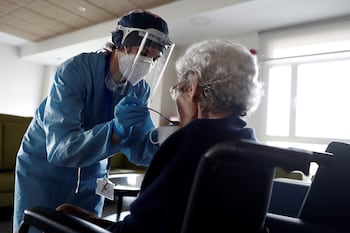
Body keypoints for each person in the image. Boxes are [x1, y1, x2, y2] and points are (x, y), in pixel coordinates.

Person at [55, 39, 264, 233]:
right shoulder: (251, 145)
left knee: (63, 211)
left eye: (178, 90)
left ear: (193, 89)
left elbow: (136, 230)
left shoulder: (187, 142)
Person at [13, 10, 174, 233]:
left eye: (154, 58)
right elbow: (60, 149)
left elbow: (138, 150)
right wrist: (115, 130)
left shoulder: (140, 89)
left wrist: (164, 138)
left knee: (86, 228)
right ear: (121, 43)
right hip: (44, 169)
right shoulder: (76, 71)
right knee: (38, 226)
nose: (147, 62)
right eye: (144, 52)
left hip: (93, 169)